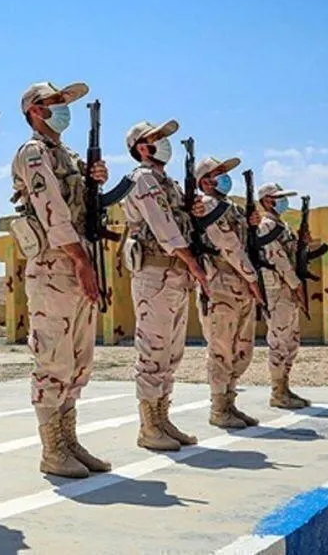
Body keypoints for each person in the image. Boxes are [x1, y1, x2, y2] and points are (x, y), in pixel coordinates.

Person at [8, 81, 111, 479]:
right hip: (55, 264)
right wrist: (81, 261)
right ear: (35, 110)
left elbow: (82, 207)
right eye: (55, 102)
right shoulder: (32, 153)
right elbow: (52, 210)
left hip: (79, 259)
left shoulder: (67, 156)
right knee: (53, 359)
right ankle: (52, 450)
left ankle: (69, 441)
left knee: (79, 359)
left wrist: (95, 181)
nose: (63, 107)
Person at [120, 120, 208, 450]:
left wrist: (193, 210)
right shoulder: (142, 178)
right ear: (142, 148)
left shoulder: (167, 183)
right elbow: (164, 228)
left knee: (171, 354)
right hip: (155, 274)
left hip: (175, 275)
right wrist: (194, 264)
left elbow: (181, 223)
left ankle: (162, 419)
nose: (163, 142)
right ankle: (149, 427)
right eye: (156, 138)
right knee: (153, 352)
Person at [191, 156, 265, 429]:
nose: (224, 176)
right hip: (220, 284)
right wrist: (253, 279)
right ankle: (219, 408)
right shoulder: (207, 206)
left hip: (240, 284)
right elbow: (228, 245)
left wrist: (253, 223)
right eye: (218, 172)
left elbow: (246, 243)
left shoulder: (231, 207)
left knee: (241, 348)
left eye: (224, 171)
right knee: (221, 348)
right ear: (204, 182)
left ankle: (230, 402)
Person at [252, 183, 313, 409]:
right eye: (278, 198)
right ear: (267, 201)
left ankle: (285, 387)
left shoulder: (282, 225)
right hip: (277, 289)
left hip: (288, 287)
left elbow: (293, 254)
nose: (283, 202)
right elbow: (278, 258)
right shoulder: (266, 225)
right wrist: (297, 285)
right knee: (279, 340)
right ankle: (277, 392)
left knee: (291, 340)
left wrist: (304, 243)